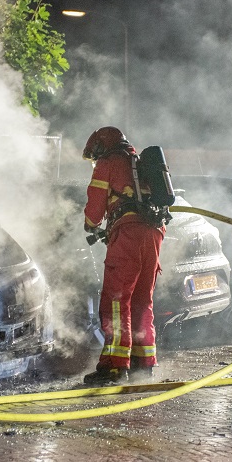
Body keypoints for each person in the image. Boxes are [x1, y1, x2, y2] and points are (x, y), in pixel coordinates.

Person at [81, 126, 165, 385]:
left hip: (127, 235)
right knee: (142, 299)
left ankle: (115, 366)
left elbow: (94, 210)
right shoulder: (139, 162)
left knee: (117, 300)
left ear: (100, 147)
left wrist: (91, 224)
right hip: (154, 233)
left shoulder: (108, 163)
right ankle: (144, 363)